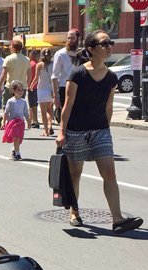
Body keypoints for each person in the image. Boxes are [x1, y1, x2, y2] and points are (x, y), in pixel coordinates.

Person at [56, 30, 143, 234]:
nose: (109, 46)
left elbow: (109, 106)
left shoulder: (111, 77)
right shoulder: (78, 74)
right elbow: (67, 106)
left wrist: (107, 128)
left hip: (100, 131)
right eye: (104, 44)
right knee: (75, 174)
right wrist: (62, 132)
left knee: (110, 173)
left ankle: (117, 219)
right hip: (76, 131)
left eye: (110, 43)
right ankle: (74, 212)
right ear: (91, 49)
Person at [0, 40, 31, 113]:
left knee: (6, 107)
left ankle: (8, 122)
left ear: (13, 48)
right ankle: (17, 123)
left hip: (10, 86)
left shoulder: (8, 58)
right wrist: (27, 85)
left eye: (10, 46)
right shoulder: (26, 59)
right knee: (19, 108)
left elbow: (4, 74)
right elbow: (29, 74)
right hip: (22, 87)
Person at [52, 29, 80, 111]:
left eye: (73, 38)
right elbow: (54, 76)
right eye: (68, 38)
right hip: (64, 88)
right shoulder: (60, 54)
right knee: (66, 115)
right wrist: (55, 96)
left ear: (77, 39)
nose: (70, 40)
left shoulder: (83, 53)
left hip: (79, 88)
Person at [1, 80, 29, 161]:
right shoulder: (10, 101)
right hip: (13, 122)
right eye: (18, 90)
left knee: (19, 138)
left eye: (21, 90)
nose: (20, 92)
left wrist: (29, 122)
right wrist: (4, 122)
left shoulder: (23, 102)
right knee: (16, 137)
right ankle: (17, 153)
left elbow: (26, 113)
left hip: (21, 122)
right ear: (13, 91)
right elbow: (6, 112)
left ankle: (14, 148)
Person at [30, 48, 54, 136]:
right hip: (51, 89)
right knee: (50, 109)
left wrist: (32, 85)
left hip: (42, 90)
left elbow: (36, 78)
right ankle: (50, 125)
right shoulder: (53, 64)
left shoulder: (39, 65)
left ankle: (46, 131)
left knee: (43, 112)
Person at [28, 50, 40, 129]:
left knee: (33, 104)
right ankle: (31, 119)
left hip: (32, 86)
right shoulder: (38, 64)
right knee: (33, 104)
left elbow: (29, 76)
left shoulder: (31, 64)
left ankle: (35, 121)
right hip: (38, 87)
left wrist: (28, 85)